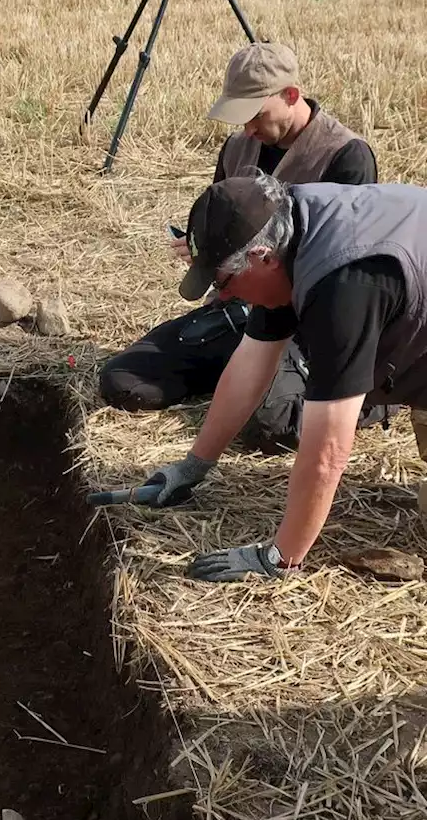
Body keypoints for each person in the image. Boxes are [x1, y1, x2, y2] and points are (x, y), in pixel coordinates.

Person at [117, 169, 427, 581]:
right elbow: (249, 365)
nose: (221, 297)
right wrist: (192, 467)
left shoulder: (343, 286)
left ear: (261, 257)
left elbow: (328, 450)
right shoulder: (286, 226)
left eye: (224, 282)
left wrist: (280, 558)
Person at [97, 41, 387, 451]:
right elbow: (217, 219)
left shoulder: (345, 156)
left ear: (290, 95)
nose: (247, 128)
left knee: (269, 427)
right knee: (125, 383)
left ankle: (374, 399)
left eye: (255, 114)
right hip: (237, 310)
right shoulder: (237, 146)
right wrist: (201, 248)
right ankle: (245, 374)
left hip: (303, 322)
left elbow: (348, 267)